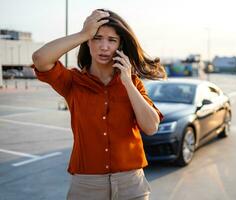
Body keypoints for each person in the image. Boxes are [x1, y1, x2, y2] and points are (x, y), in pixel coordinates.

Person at [32, 9, 166, 200]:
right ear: (88, 42)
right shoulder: (73, 82)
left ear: (120, 45)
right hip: (87, 185)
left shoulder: (133, 83)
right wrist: (83, 33)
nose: (104, 46)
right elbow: (40, 59)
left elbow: (151, 127)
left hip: (131, 184)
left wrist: (127, 82)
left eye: (112, 40)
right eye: (97, 38)